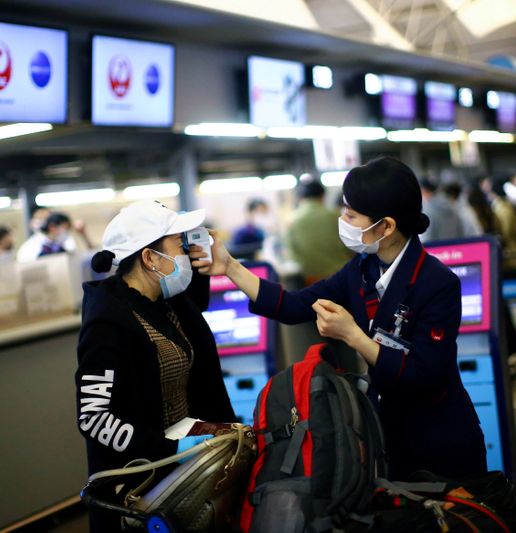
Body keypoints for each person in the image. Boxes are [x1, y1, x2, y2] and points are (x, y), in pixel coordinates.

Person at [194, 156, 487, 480]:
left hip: (440, 438)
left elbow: (423, 373)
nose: (342, 219)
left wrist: (354, 336)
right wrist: (231, 267)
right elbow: (293, 306)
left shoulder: (438, 283)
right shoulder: (361, 269)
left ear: (386, 226)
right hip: (388, 435)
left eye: (351, 214)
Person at [76, 200, 235, 532]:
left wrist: (203, 250)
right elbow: (94, 417)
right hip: (142, 488)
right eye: (179, 244)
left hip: (185, 472)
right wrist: (171, 448)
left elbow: (194, 302)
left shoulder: (166, 300)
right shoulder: (107, 325)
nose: (185, 250)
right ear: (150, 258)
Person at [286, 178, 353, 286]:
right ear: (322, 196)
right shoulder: (335, 216)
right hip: (342, 277)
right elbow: (351, 248)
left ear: (300, 198)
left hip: (311, 282)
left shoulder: (291, 222)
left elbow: (293, 255)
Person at [420, 177, 463, 242]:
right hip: (454, 249)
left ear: (424, 191)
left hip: (436, 250)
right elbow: (460, 232)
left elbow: (426, 240)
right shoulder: (453, 207)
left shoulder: (428, 211)